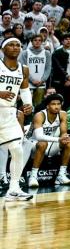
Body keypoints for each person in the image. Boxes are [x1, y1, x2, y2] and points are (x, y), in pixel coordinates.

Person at [0, 35, 32, 201]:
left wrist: (28, 104)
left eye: (18, 45)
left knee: (18, 150)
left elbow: (25, 90)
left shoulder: (24, 69)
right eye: (11, 45)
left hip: (9, 113)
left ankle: (13, 188)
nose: (15, 47)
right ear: (3, 49)